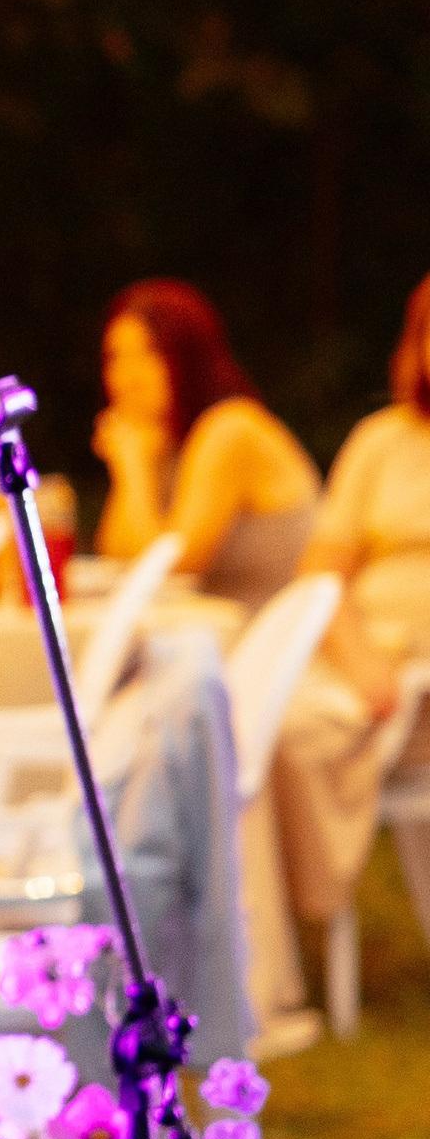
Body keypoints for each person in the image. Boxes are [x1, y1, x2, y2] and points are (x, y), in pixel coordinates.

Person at [272, 274, 430, 930]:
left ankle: (301, 910)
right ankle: (262, 936)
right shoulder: (381, 441)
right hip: (355, 664)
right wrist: (358, 656)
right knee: (246, 731)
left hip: (419, 688)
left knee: (286, 739)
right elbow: (323, 572)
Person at [92, 280, 319, 608]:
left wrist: (132, 467)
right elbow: (115, 554)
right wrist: (137, 463)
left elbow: (166, 569)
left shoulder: (230, 428)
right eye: (116, 358)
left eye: (149, 354)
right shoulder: (162, 443)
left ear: (188, 358)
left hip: (275, 644)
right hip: (214, 640)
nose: (128, 378)